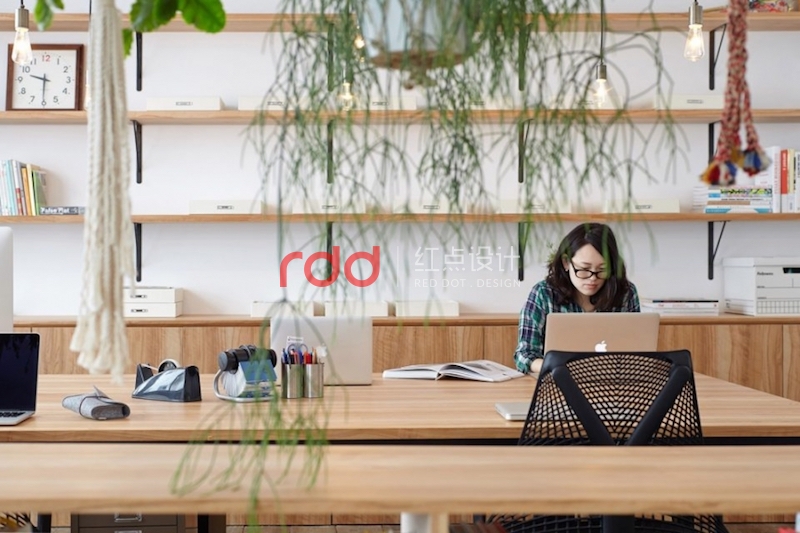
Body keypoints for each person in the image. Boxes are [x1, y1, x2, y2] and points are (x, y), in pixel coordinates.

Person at [513, 222, 640, 374]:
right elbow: (524, 355)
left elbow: (637, 351)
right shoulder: (544, 293)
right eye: (584, 269)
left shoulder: (625, 293)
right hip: (558, 379)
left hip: (614, 380)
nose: (593, 278)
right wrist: (557, 369)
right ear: (566, 262)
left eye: (602, 269)